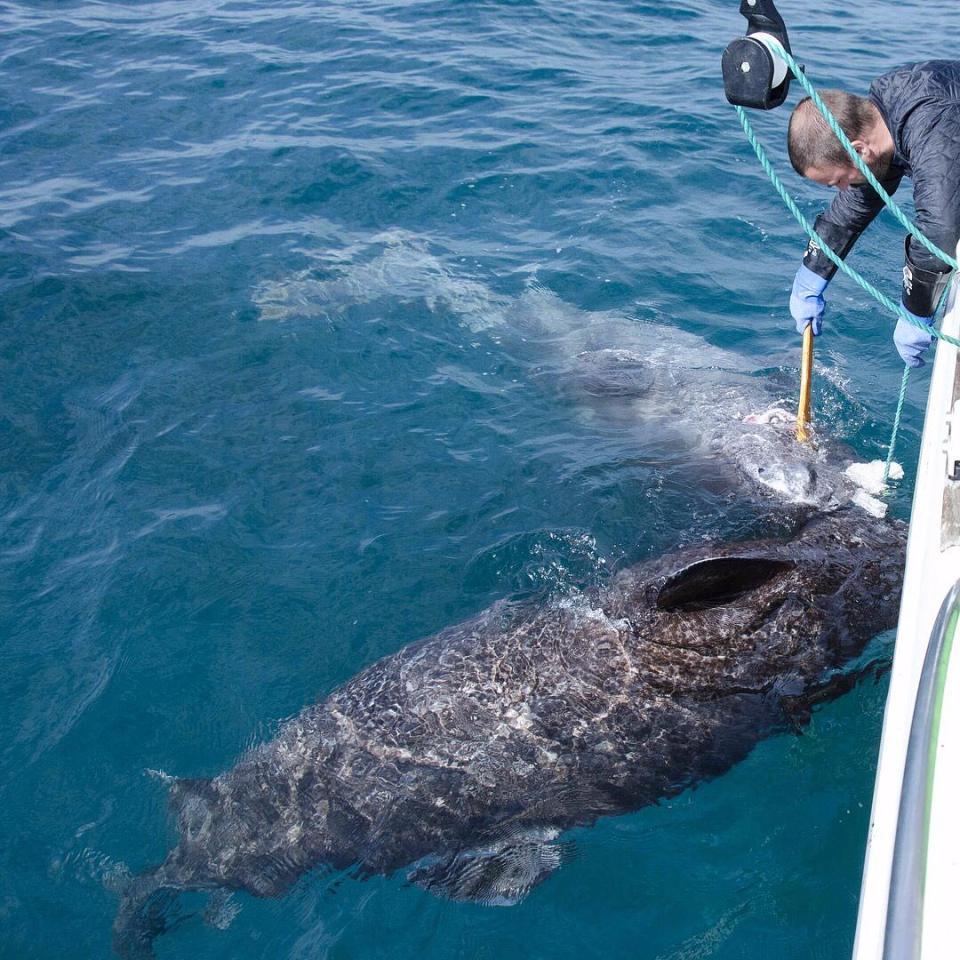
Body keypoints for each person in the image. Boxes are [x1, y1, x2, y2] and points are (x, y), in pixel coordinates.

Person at [787, 60, 960, 367]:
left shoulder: (932, 121)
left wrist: (916, 309)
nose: (843, 189)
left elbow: (941, 227)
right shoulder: (883, 118)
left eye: (839, 181)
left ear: (859, 149)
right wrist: (812, 273)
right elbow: (855, 204)